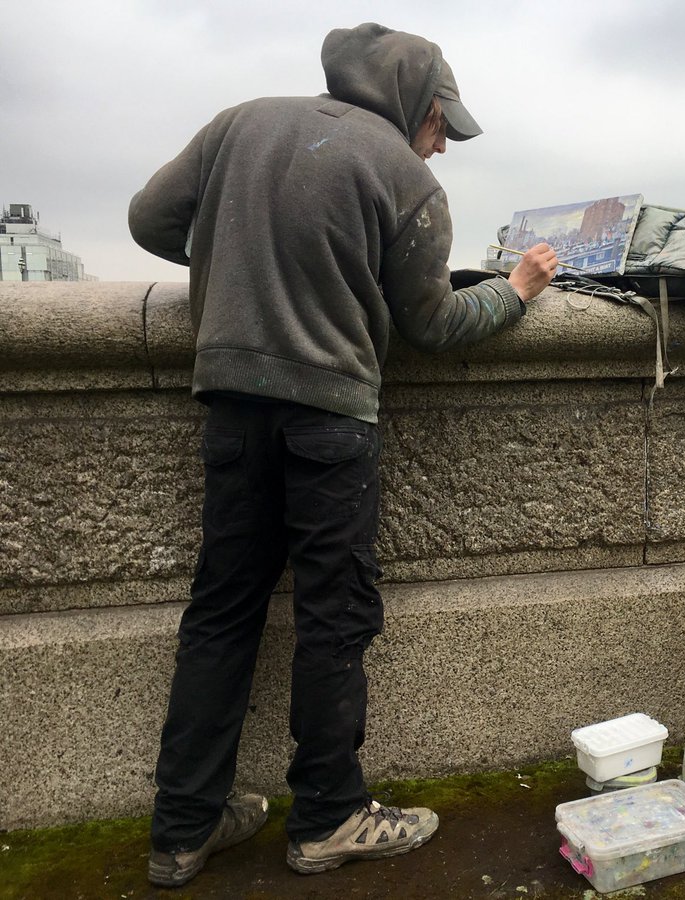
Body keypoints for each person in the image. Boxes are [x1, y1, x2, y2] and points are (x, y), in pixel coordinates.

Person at [128, 23, 558, 888]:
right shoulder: (406, 178)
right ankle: (327, 817)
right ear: (418, 106)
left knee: (220, 611)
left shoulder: (238, 123)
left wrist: (240, 256)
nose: (440, 145)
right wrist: (516, 291)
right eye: (443, 127)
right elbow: (433, 324)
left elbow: (148, 221)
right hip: (330, 419)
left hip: (231, 407)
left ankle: (183, 827)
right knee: (333, 618)